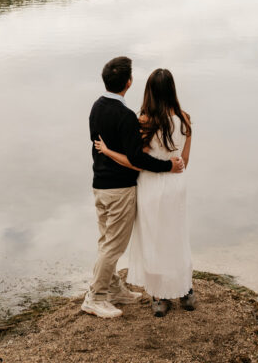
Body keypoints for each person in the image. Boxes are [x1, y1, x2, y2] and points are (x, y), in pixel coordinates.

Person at [83, 56, 185, 320]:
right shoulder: (126, 116)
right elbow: (138, 160)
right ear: (128, 82)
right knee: (114, 245)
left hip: (100, 185)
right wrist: (167, 167)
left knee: (107, 240)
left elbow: (101, 145)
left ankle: (114, 287)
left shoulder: (96, 107)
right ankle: (95, 297)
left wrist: (106, 151)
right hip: (119, 189)